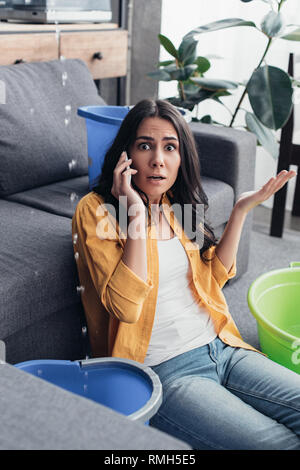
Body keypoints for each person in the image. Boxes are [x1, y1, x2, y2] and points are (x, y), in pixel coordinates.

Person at [72, 98, 300, 450]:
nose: (158, 159)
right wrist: (134, 214)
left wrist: (240, 211)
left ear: (182, 157)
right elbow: (126, 308)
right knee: (278, 443)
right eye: (144, 145)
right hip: (165, 371)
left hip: (222, 347)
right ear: (126, 155)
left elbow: (213, 280)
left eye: (170, 147)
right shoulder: (96, 211)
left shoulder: (177, 204)